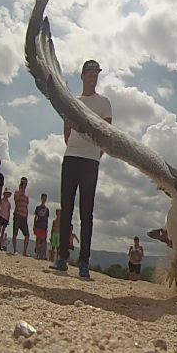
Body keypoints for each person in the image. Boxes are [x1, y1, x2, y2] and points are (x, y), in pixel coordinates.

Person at [50, 59, 112, 279]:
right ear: (83, 76)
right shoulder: (73, 101)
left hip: (90, 161)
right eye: (90, 73)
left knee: (87, 212)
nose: (94, 77)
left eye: (97, 74)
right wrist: (75, 146)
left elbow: (107, 132)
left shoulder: (104, 102)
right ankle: (62, 259)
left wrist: (95, 152)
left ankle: (84, 262)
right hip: (71, 157)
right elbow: (67, 131)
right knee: (66, 209)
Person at [12, 177, 30, 256]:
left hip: (24, 216)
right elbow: (16, 199)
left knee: (27, 234)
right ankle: (15, 250)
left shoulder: (26, 196)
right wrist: (20, 189)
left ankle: (24, 251)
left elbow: (26, 206)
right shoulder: (17, 192)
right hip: (18, 214)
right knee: (15, 233)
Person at [33, 193, 49, 260]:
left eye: (45, 199)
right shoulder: (38, 208)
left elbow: (47, 218)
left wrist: (47, 226)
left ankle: (44, 256)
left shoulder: (47, 209)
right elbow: (35, 217)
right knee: (38, 239)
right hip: (38, 225)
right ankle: (37, 254)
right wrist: (34, 225)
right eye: (43, 199)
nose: (44, 200)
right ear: (41, 199)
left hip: (44, 226)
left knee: (44, 241)